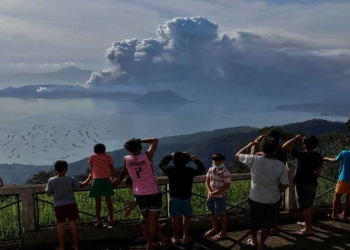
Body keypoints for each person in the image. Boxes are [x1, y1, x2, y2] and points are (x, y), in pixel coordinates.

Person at [236, 136, 289, 250]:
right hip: (273, 199)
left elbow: (238, 155)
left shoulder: (254, 159)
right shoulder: (280, 165)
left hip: (255, 198)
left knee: (254, 222)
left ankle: (254, 241)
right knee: (268, 223)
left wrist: (250, 145)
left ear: (262, 148)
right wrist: (277, 191)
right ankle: (261, 245)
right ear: (275, 149)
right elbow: (285, 184)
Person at [113, 138, 161, 250]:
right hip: (153, 191)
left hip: (139, 193)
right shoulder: (147, 157)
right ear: (140, 147)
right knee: (153, 221)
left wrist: (117, 182)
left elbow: (124, 172)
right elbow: (155, 140)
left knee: (146, 218)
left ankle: (150, 242)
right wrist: (140, 140)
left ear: (128, 150)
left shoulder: (126, 159)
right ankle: (150, 245)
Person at [159, 152, 206, 245]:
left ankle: (176, 238)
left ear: (174, 160)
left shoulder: (170, 169)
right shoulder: (189, 170)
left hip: (174, 198)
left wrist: (170, 156)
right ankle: (186, 237)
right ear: (187, 161)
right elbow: (202, 170)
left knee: (175, 218)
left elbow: (161, 164)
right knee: (186, 218)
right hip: (186, 198)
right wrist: (196, 160)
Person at [45, 160, 91, 250]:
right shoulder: (70, 179)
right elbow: (81, 185)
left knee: (61, 226)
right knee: (73, 224)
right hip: (71, 204)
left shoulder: (51, 180)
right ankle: (76, 246)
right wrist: (89, 178)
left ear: (55, 169)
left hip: (58, 205)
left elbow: (48, 193)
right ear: (66, 169)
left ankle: (62, 247)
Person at [283, 135, 323, 235]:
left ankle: (308, 229)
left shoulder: (301, 154)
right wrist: (314, 179)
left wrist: (296, 138)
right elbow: (318, 171)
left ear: (304, 145)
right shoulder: (318, 156)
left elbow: (285, 146)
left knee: (305, 207)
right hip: (312, 182)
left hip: (302, 183)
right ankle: (307, 223)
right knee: (310, 204)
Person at [251, 130, 287, 235]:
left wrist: (255, 143)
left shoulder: (270, 152)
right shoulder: (281, 151)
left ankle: (266, 228)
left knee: (263, 210)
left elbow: (253, 155)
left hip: (265, 184)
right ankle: (274, 228)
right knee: (273, 209)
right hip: (278, 182)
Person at [124, 176, 168, 248]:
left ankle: (160, 238)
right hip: (149, 210)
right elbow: (137, 201)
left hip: (146, 212)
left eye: (129, 186)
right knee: (150, 225)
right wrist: (131, 204)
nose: (130, 188)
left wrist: (129, 210)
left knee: (150, 225)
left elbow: (137, 201)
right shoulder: (141, 187)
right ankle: (154, 240)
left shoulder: (137, 190)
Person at [88, 143, 116, 228]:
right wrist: (112, 177)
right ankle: (110, 218)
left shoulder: (92, 157)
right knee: (108, 200)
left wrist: (91, 177)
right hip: (106, 180)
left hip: (96, 180)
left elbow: (91, 168)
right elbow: (112, 167)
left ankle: (98, 220)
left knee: (97, 201)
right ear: (104, 150)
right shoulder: (107, 156)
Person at [205, 153, 231, 241]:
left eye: (219, 161)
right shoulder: (211, 169)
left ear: (223, 161)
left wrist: (217, 191)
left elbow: (227, 186)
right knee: (213, 212)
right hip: (211, 195)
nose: (217, 163)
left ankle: (223, 233)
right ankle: (214, 228)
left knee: (223, 214)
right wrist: (209, 192)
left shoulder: (226, 172)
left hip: (220, 196)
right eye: (215, 161)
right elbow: (207, 181)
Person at [323, 135, 350, 221]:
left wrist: (325, 158)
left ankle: (334, 215)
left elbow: (335, 160)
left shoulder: (344, 153)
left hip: (344, 179)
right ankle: (344, 215)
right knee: (349, 198)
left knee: (337, 196)